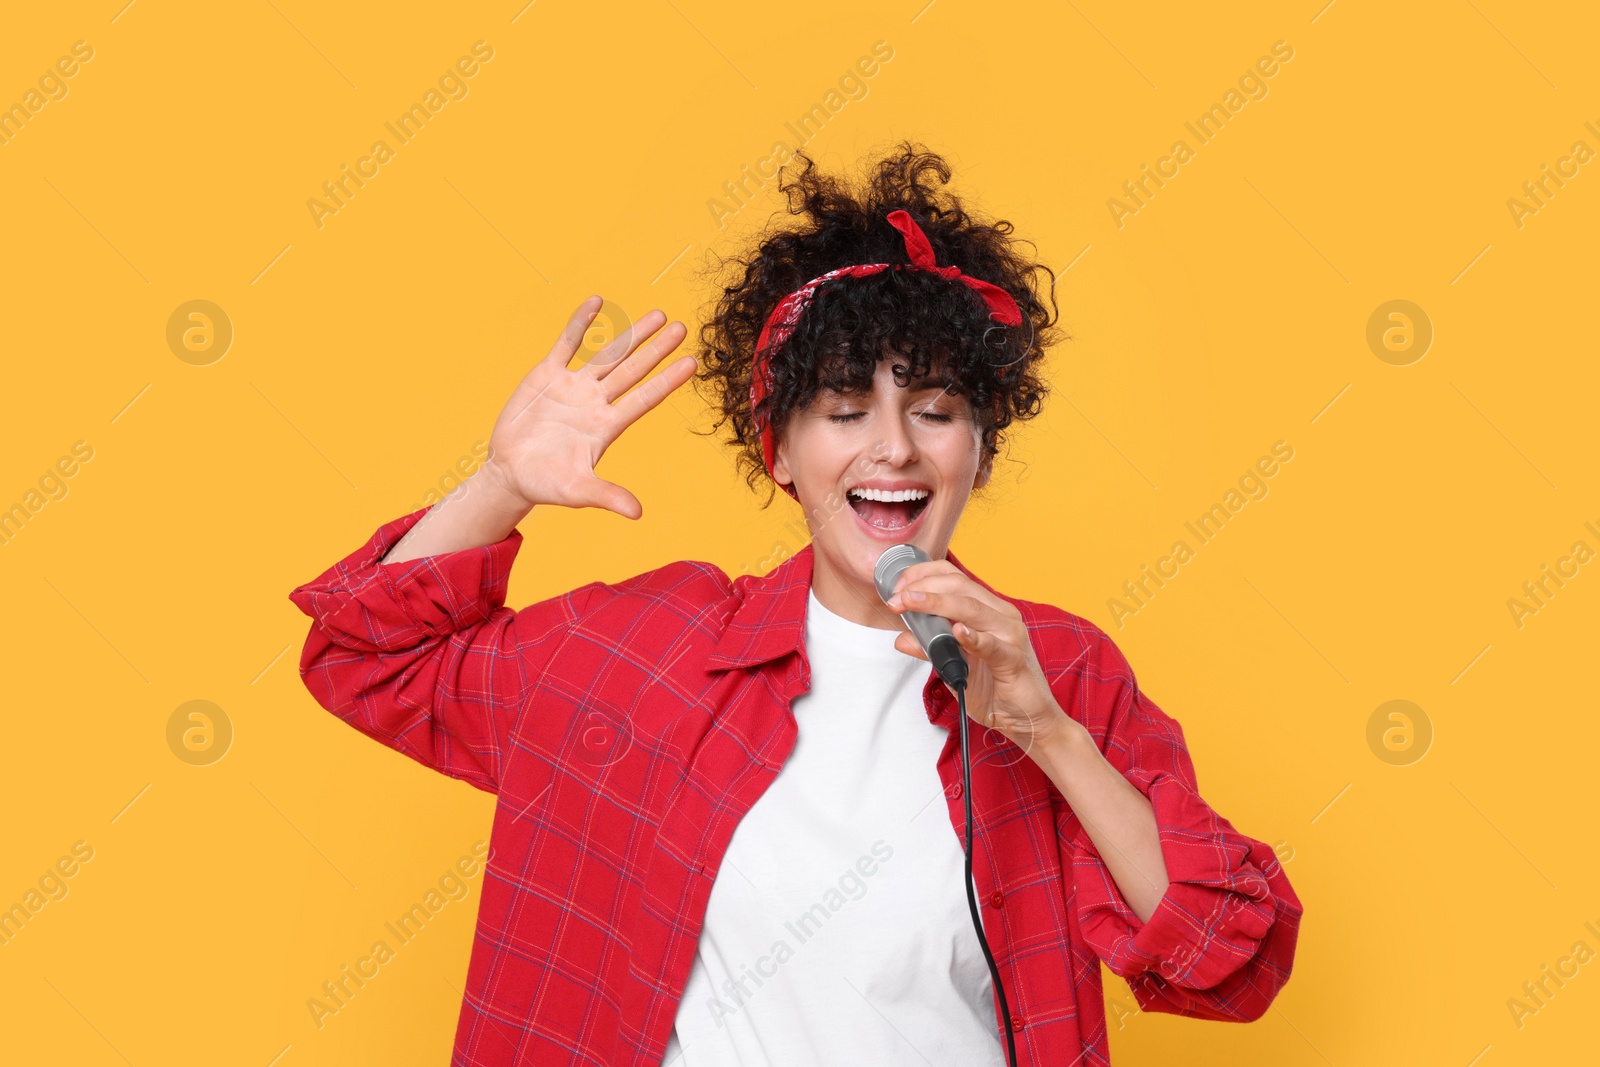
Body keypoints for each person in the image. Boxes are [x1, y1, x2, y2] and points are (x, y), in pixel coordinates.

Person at [289, 143, 1301, 1067]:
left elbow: (1226, 960)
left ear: (980, 450)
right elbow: (368, 656)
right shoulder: (642, 649)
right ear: (779, 449)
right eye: (845, 409)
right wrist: (500, 483)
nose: (893, 447)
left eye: (936, 411)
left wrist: (1047, 732)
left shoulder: (1059, 669)